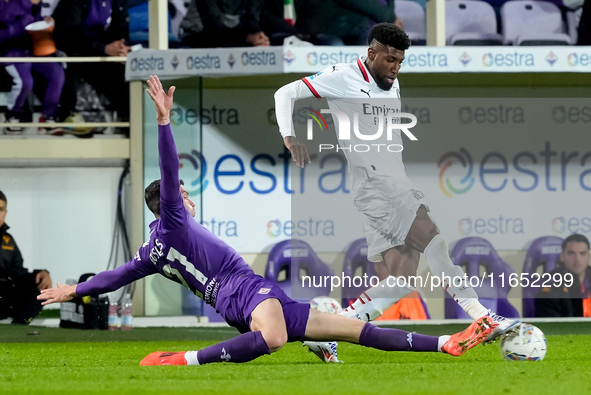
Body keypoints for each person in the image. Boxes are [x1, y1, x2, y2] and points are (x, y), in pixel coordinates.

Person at [38, 75, 495, 366]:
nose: (188, 198)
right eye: (183, 195)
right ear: (175, 201)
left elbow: (115, 276)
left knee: (353, 330)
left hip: (245, 297)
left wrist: (72, 290)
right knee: (274, 337)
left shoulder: (151, 251)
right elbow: (170, 169)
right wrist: (163, 122)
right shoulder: (173, 221)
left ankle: (445, 345)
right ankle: (185, 359)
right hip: (242, 289)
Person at [273, 23, 520, 362]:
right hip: (379, 186)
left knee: (401, 280)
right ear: (371, 53)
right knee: (435, 241)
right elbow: (284, 93)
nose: (394, 68)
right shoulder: (342, 76)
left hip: (385, 185)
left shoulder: (392, 81)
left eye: (400, 61)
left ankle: (327, 332)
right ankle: (482, 317)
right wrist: (289, 137)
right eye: (389, 59)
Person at [51, 0, 130, 136]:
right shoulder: (73, 3)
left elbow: (121, 26)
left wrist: (121, 47)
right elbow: (70, 36)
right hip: (72, 48)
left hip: (98, 51)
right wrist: (104, 48)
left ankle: (127, 118)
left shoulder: (116, 2)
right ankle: (67, 115)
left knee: (125, 69)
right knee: (73, 62)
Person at [0, 0, 65, 136]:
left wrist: (45, 22)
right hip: (11, 51)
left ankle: (48, 117)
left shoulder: (36, 4)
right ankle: (12, 115)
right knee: (25, 82)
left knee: (57, 74)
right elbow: (5, 18)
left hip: (31, 50)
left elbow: (32, 24)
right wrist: (28, 3)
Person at [0, 190, 52, 324]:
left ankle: (17, 330)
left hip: (3, 296)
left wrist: (42, 274)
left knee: (41, 289)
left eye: (1, 209)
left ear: (5, 213)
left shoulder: (8, 241)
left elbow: (18, 273)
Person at [535, 234, 591, 317]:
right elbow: (550, 324)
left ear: (588, 257)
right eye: (571, 253)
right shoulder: (549, 285)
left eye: (582, 253)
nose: (577, 259)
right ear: (562, 256)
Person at [180, 0, 270, 48]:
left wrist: (259, 37)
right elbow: (213, 26)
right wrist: (246, 38)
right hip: (200, 36)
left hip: (236, 37)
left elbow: (252, 20)